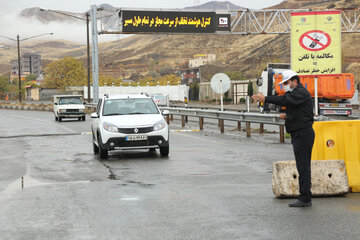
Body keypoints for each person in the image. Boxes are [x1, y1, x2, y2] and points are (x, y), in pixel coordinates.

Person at [252, 70, 315, 207]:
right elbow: (299, 111)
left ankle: (305, 198)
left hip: (303, 133)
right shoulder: (296, 94)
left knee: (303, 166)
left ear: (294, 81)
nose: (285, 85)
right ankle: (305, 196)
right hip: (299, 133)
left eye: (286, 83)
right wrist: (287, 115)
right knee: (302, 166)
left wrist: (266, 98)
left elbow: (286, 100)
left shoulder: (300, 92)